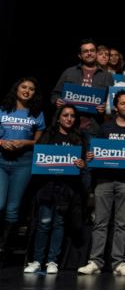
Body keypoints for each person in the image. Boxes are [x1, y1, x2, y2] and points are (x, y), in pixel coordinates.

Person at [78, 91, 125, 276]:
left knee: (122, 224)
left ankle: (118, 263)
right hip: (104, 180)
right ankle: (95, 261)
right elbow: (96, 153)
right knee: (100, 223)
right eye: (122, 103)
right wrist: (91, 156)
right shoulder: (105, 128)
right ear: (116, 107)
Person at [24, 104, 86, 274]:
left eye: (72, 116)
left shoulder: (78, 138)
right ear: (59, 117)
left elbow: (83, 163)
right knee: (44, 223)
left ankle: (52, 261)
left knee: (59, 223)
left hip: (67, 188)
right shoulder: (48, 135)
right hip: (47, 186)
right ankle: (37, 260)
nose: (69, 118)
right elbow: (39, 159)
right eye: (65, 115)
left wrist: (81, 164)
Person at [1, 77, 45, 260]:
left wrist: (25, 142)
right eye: (24, 87)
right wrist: (1, 142)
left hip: (24, 163)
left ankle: (3, 248)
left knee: (13, 208)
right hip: (1, 161)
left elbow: (39, 141)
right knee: (0, 204)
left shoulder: (36, 113)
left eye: (32, 89)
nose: (27, 91)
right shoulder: (3, 110)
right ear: (16, 89)